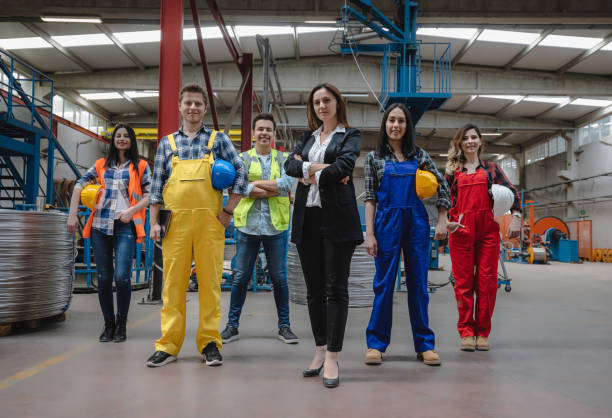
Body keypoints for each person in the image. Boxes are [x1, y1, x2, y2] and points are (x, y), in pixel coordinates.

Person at [146, 83, 248, 367]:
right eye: (188, 103)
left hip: (209, 225)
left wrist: (228, 211)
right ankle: (168, 345)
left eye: (198, 104)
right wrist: (154, 223)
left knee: (210, 285)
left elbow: (241, 172)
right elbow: (155, 189)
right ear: (180, 106)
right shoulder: (167, 143)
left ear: (205, 108)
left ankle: (210, 343)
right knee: (173, 286)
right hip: (175, 225)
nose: (193, 108)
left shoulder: (218, 140)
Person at [285, 83, 363, 388]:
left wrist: (309, 171)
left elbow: (344, 166)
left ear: (337, 103)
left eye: (326, 100)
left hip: (338, 220)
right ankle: (319, 350)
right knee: (314, 290)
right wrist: (320, 168)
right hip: (308, 219)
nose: (321, 106)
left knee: (336, 289)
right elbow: (289, 166)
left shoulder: (351, 135)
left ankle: (333, 355)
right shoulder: (307, 137)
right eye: (316, 101)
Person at [363, 103, 450, 367]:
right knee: (384, 286)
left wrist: (443, 218)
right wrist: (370, 234)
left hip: (416, 225)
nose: (396, 125)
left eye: (401, 121)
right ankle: (376, 345)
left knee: (418, 286)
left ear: (407, 126)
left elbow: (443, 184)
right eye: (392, 120)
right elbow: (369, 198)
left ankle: (425, 345)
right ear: (385, 124)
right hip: (386, 225)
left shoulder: (419, 155)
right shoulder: (374, 158)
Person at [67, 124, 150, 343]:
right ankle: (108, 324)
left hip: (125, 226)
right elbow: (78, 185)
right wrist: (72, 214)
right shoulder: (101, 164)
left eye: (126, 136)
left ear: (132, 140)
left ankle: (122, 324)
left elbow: (151, 195)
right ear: (113, 140)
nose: (121, 139)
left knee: (122, 277)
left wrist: (131, 212)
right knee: (104, 278)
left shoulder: (141, 166)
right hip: (100, 226)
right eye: (118, 136)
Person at [220, 113, 298, 344]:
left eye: (268, 129)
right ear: (253, 133)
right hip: (248, 227)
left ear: (273, 134)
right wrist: (270, 189)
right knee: (241, 277)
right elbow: (241, 187)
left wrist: (254, 186)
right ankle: (232, 326)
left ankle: (284, 326)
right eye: (260, 129)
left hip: (276, 227)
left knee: (279, 278)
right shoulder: (242, 159)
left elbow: (287, 184)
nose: (264, 133)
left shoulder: (283, 159)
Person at [444, 123, 521, 352]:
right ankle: (467, 332)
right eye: (465, 138)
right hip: (460, 231)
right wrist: (444, 220)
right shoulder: (452, 171)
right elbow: (440, 198)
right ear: (460, 143)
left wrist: (516, 217)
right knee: (463, 282)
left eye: (474, 137)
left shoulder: (492, 169)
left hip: (487, 231)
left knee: (487, 281)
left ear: (480, 141)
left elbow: (513, 194)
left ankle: (482, 332)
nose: (470, 141)